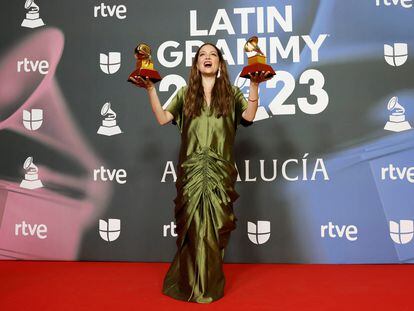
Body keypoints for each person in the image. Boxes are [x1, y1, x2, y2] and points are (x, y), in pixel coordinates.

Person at [136, 43, 270, 303]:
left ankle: (209, 285)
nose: (207, 58)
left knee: (216, 230)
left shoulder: (231, 93)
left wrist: (254, 87)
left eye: (213, 55)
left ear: (220, 63)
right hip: (192, 172)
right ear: (196, 64)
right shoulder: (185, 94)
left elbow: (249, 115)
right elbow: (163, 118)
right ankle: (189, 285)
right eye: (202, 55)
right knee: (194, 230)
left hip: (220, 173)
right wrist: (151, 89)